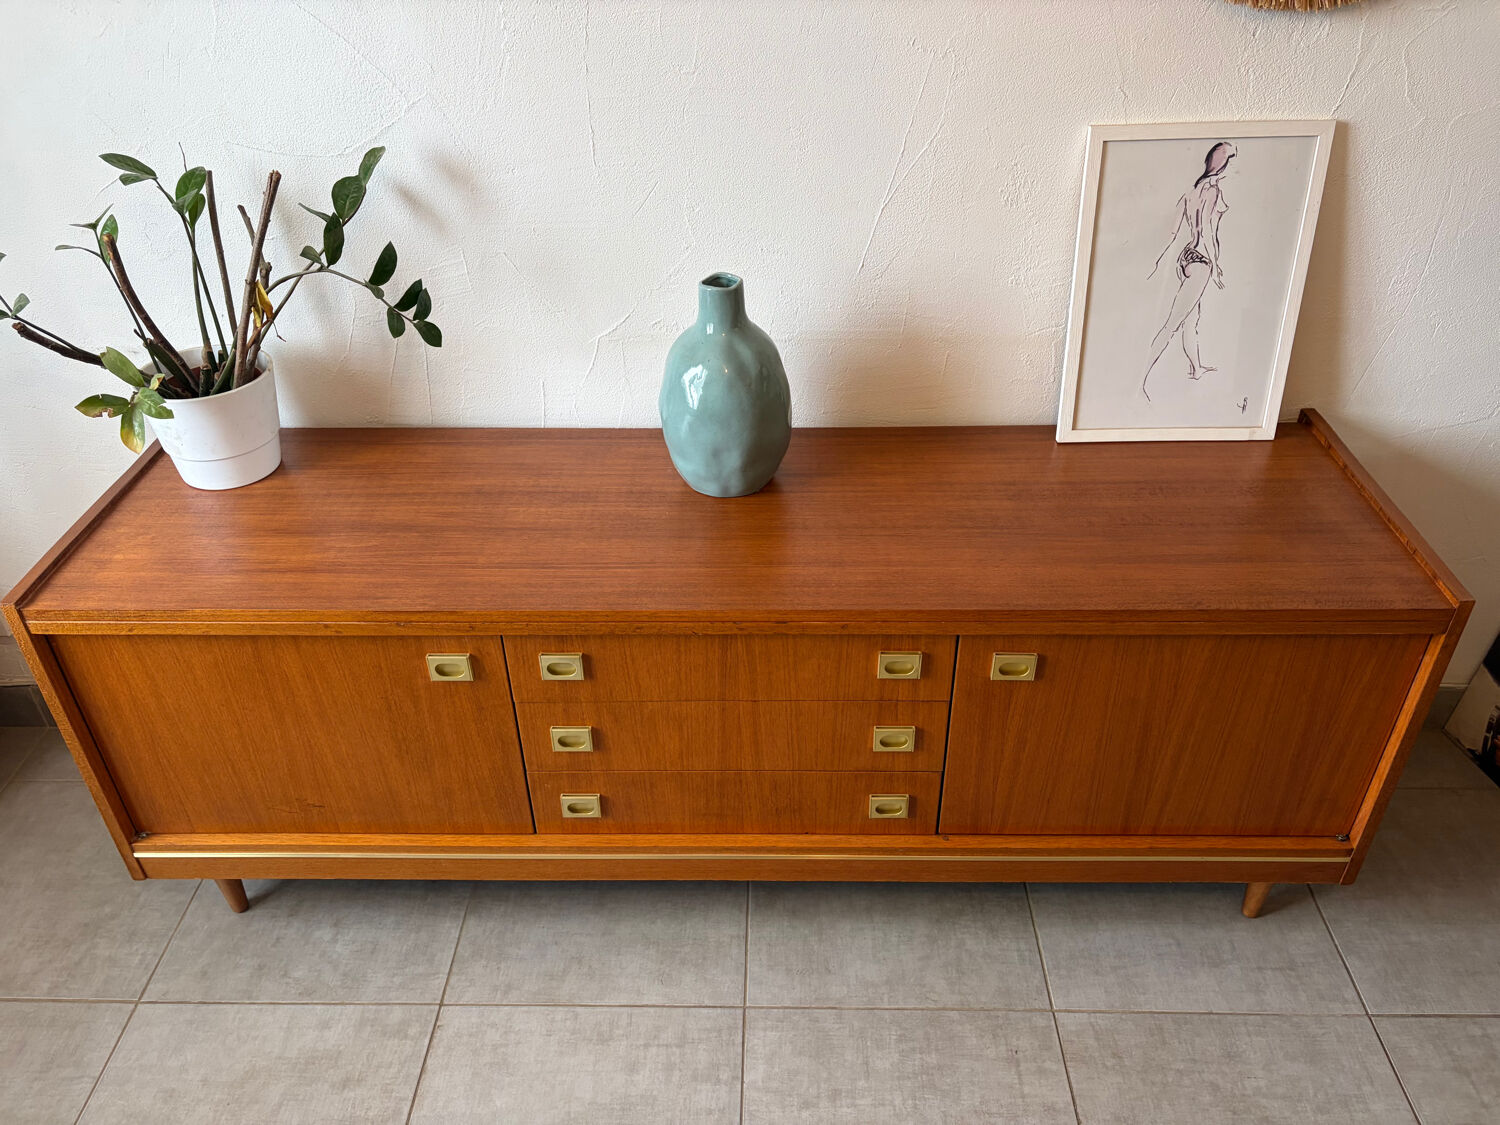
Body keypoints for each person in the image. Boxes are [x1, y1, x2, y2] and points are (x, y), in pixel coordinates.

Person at [1142, 141, 1236, 401]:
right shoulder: (1212, 190)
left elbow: (1172, 232)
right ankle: (1140, 378)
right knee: (1173, 322)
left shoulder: (1191, 191)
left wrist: (1161, 261)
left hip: (1185, 257)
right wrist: (1215, 267)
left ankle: (1196, 368)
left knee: (1190, 320)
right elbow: (1207, 230)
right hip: (1202, 260)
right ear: (1224, 164)